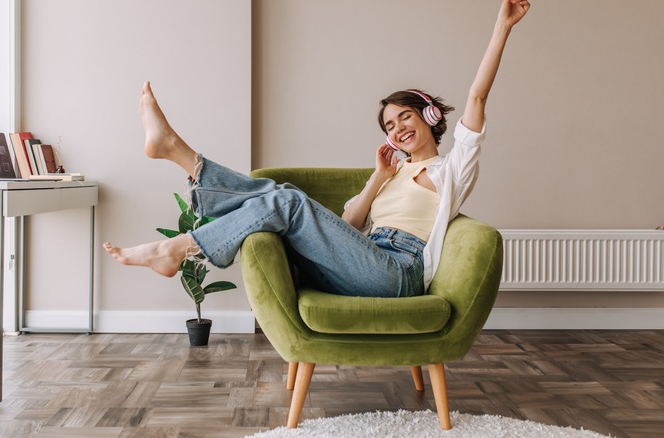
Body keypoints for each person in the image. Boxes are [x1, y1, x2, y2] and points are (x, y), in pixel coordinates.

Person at [104, 0, 530, 298]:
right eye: (389, 124)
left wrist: (502, 27)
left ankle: (178, 233)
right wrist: (377, 180)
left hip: (398, 273)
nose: (398, 128)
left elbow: (476, 99)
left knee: (286, 200)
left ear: (429, 116)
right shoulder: (391, 174)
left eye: (405, 117)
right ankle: (179, 157)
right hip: (360, 261)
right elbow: (349, 223)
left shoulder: (450, 171)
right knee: (280, 197)